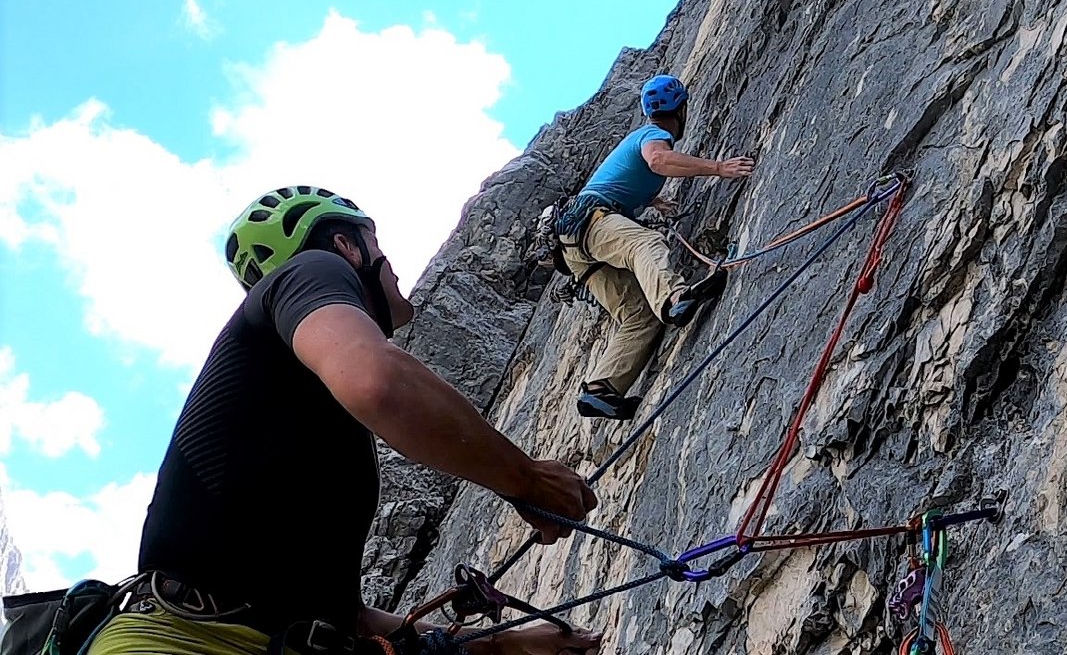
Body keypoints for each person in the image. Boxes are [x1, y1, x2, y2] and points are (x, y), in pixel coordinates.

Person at [89, 186, 600, 655]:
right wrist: (526, 479)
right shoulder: (313, 267)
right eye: (376, 243)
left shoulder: (298, 420)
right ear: (346, 246)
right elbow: (377, 381)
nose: (390, 265)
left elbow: (346, 618)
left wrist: (502, 646)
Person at [565, 75, 754, 421]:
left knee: (640, 314)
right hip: (593, 223)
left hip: (576, 247)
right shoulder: (654, 135)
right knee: (645, 242)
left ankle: (600, 389)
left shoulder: (637, 140)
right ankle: (674, 298)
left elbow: (622, 178)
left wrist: (652, 200)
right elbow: (657, 161)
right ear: (681, 109)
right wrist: (718, 168)